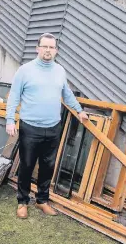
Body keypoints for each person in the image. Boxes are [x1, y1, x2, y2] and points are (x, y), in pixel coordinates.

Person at [6, 33, 88, 219]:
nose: (48, 50)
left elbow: (66, 94)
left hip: (53, 128)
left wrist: (79, 110)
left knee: (48, 166)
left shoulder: (60, 71)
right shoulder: (25, 70)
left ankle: (42, 200)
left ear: (56, 50)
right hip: (30, 127)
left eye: (51, 47)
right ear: (37, 48)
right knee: (27, 166)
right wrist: (10, 120)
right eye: (45, 47)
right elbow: (14, 96)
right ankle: (22, 201)